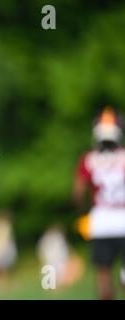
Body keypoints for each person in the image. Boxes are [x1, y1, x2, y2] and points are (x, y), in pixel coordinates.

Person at [73, 106, 125, 299]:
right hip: (123, 219)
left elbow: (78, 192)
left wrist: (85, 213)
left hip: (101, 220)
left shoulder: (89, 159)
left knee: (104, 276)